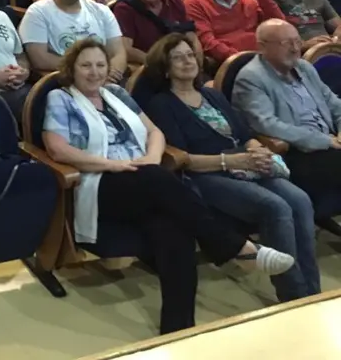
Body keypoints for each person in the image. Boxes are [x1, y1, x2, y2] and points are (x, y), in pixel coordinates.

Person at [42, 37, 294, 334]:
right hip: (101, 184)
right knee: (159, 180)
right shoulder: (61, 98)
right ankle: (236, 247)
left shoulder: (116, 94)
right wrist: (114, 165)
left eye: (100, 65)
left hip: (144, 180)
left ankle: (178, 330)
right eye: (86, 65)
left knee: (175, 231)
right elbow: (57, 149)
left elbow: (154, 133)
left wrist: (149, 158)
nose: (94, 72)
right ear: (72, 68)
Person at [144, 33, 319, 302]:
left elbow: (244, 132)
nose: (187, 61)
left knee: (300, 199)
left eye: (190, 55)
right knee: (276, 206)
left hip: (246, 164)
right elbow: (183, 157)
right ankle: (294, 295)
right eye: (177, 58)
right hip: (205, 174)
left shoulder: (212, 94)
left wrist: (257, 150)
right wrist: (231, 161)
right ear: (165, 68)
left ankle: (313, 291)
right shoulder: (162, 104)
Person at [234, 19, 341, 200]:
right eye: (286, 43)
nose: (294, 48)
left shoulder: (304, 67)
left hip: (331, 141)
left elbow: (333, 103)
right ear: (262, 46)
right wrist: (324, 141)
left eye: (297, 42)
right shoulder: (251, 78)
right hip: (296, 153)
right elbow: (267, 125)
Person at [20, 0, 127, 79]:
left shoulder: (102, 11)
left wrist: (110, 77)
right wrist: (89, 72)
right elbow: (40, 59)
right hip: (65, 83)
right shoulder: (38, 12)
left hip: (105, 83)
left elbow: (118, 53)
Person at [183, 0, 284, 66]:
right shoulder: (195, 3)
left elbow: (279, 24)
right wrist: (245, 59)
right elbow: (208, 43)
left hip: (263, 58)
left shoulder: (247, 0)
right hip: (233, 63)